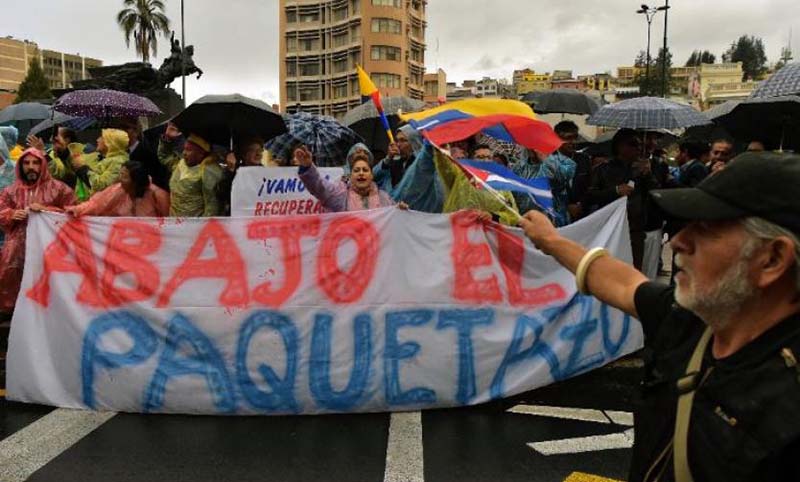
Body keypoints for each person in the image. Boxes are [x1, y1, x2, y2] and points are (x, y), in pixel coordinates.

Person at [518, 151, 800, 482]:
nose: (679, 241)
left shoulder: (787, 407)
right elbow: (623, 283)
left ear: (773, 259)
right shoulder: (693, 321)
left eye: (706, 229)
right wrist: (551, 240)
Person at [0, 148, 76, 317]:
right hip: (17, 249)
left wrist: (47, 210)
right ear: (20, 166)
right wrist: (11, 214)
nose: (31, 167)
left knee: (49, 281)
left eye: (35, 162)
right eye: (26, 163)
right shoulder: (10, 191)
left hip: (50, 247)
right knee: (13, 279)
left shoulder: (59, 188)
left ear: (43, 165)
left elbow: (73, 212)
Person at [585, 129, 661, 270]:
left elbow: (656, 194)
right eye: (633, 144)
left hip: (635, 231)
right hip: (610, 229)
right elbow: (589, 197)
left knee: (632, 274)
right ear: (620, 146)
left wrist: (648, 175)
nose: (638, 148)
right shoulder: (603, 169)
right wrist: (615, 191)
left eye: (640, 144)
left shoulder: (643, 169)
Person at [294, 145, 395, 212]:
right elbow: (320, 188)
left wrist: (402, 210)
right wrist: (307, 167)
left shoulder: (384, 198)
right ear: (350, 175)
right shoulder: (341, 195)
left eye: (365, 170)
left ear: (371, 175)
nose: (361, 173)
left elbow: (394, 218)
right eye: (356, 170)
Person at [159, 124, 223, 217]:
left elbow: (212, 208)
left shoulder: (210, 172)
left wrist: (201, 229)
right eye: (184, 149)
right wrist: (168, 139)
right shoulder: (181, 164)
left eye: (189, 150)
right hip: (174, 223)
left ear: (201, 153)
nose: (184, 153)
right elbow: (164, 156)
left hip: (193, 227)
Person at [65, 161, 169, 217]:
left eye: (124, 177)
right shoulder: (118, 189)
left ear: (136, 181)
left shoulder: (158, 195)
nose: (120, 179)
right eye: (120, 175)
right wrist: (77, 209)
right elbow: (97, 204)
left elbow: (170, 225)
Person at [72, 129, 130, 196]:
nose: (97, 140)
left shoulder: (118, 162)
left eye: (102, 138)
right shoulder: (109, 159)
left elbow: (102, 186)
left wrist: (82, 168)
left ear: (110, 143)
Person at [119, 117, 170, 191]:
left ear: (136, 131)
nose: (122, 131)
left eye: (126, 128)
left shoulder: (146, 152)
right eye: (120, 127)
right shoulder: (123, 152)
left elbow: (156, 176)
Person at [217, 137, 266, 215]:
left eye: (260, 150)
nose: (258, 154)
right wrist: (230, 170)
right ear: (244, 154)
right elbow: (223, 195)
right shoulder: (235, 171)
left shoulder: (267, 173)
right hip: (238, 218)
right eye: (253, 150)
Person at [372, 125, 424, 193]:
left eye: (403, 140)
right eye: (397, 140)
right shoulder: (394, 162)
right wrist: (388, 158)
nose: (398, 144)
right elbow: (373, 177)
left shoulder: (422, 164)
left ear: (414, 142)